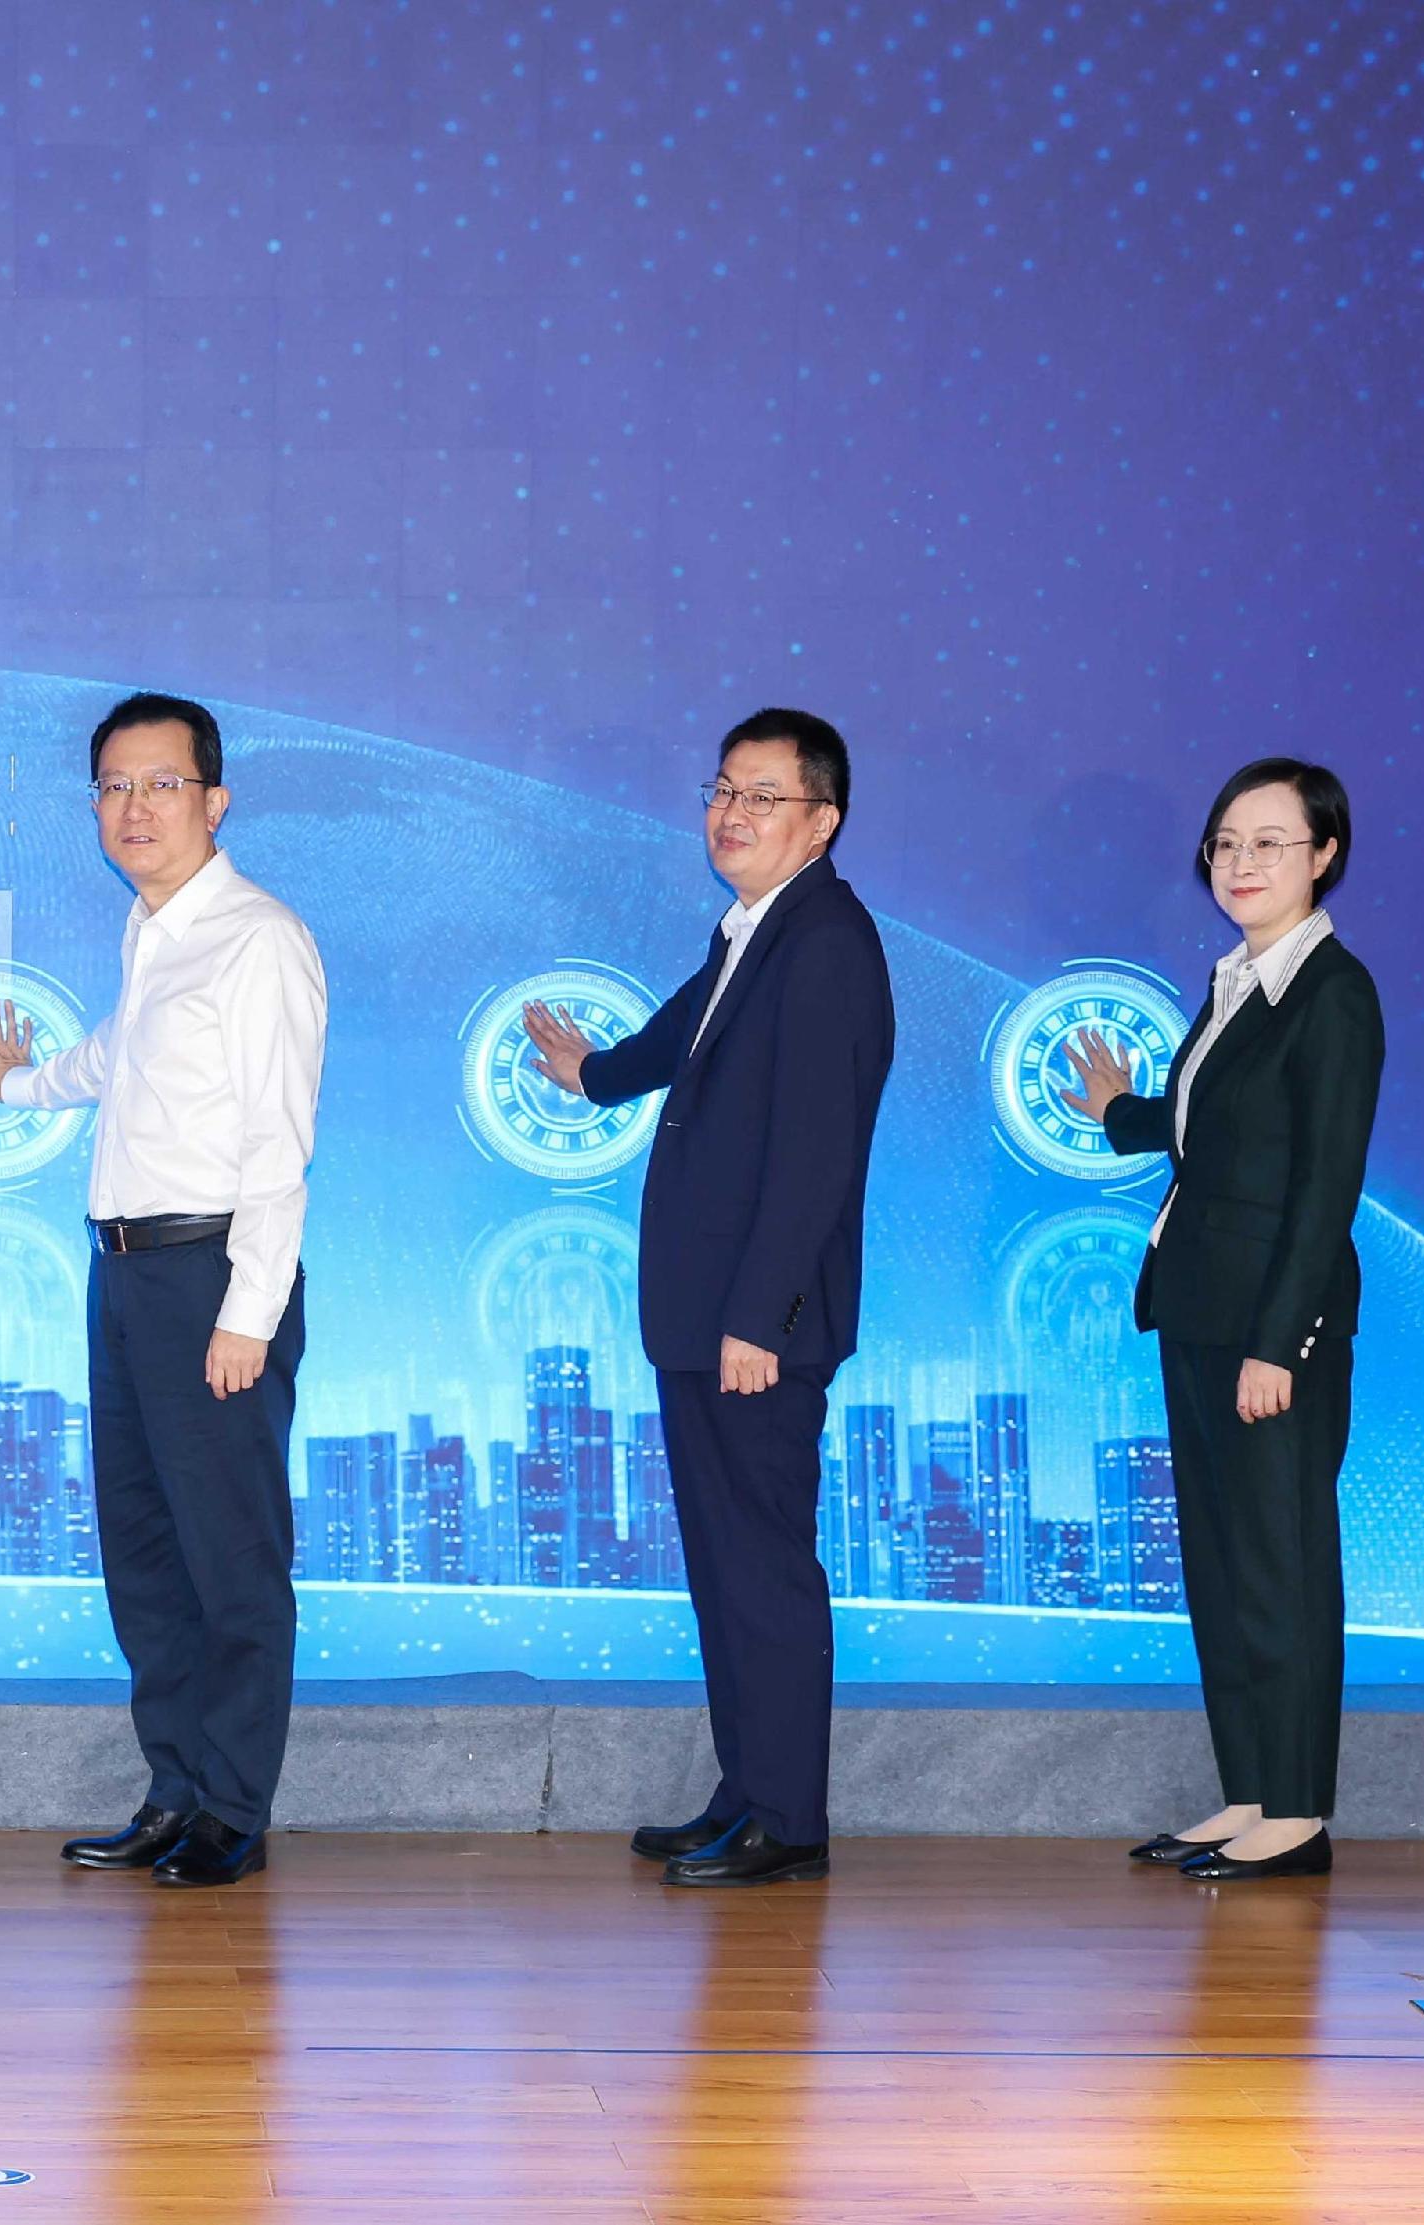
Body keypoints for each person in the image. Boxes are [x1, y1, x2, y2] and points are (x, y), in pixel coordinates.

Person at [518, 708, 894, 1887]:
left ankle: (789, 1817)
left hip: (752, 1329)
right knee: (725, 1566)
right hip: (707, 1313)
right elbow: (677, 1035)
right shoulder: (754, 931)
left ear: (821, 821)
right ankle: (747, 1792)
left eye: (761, 797)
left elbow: (816, 1157)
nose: (730, 815)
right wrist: (591, 1072)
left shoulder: (824, 941)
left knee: (764, 1568)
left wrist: (758, 1320)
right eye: (721, 791)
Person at [0, 691, 328, 1889]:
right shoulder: (156, 933)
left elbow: (280, 1142)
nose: (134, 807)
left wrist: (247, 1310)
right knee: (149, 1558)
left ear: (214, 801)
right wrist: (18, 1086)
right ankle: (174, 1790)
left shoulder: (257, 937)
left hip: (210, 1278)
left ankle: (234, 1806)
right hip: (123, 1274)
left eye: (160, 783)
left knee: (229, 1560)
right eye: (113, 786)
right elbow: (119, 1060)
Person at [1063, 759, 1379, 1883]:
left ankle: (1295, 1814)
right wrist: (1119, 1111)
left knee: (1280, 1565)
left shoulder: (1332, 993)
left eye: (1268, 843)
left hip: (1265, 1332)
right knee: (1220, 1560)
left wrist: (1275, 1341)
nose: (1239, 864)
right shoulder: (1239, 979)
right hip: (1195, 1309)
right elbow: (1215, 1127)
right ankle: (1247, 1788)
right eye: (1224, 844)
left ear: (1323, 854)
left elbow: (1323, 1182)